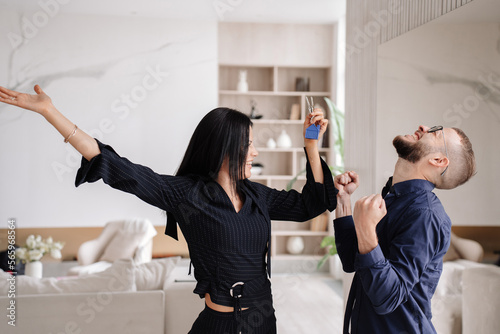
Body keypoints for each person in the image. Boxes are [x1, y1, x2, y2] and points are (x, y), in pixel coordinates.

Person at [0, 85, 337, 334]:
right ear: (227, 148)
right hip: (218, 324)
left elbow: (311, 204)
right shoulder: (187, 194)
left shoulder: (258, 197)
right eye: (249, 144)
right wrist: (49, 112)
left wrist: (311, 146)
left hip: (264, 319)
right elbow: (119, 168)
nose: (255, 152)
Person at [333, 125, 476, 333]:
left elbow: (386, 297)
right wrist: (343, 201)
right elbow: (350, 259)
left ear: (438, 160)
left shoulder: (424, 215)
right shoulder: (393, 199)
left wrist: (366, 230)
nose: (423, 127)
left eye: (434, 131)